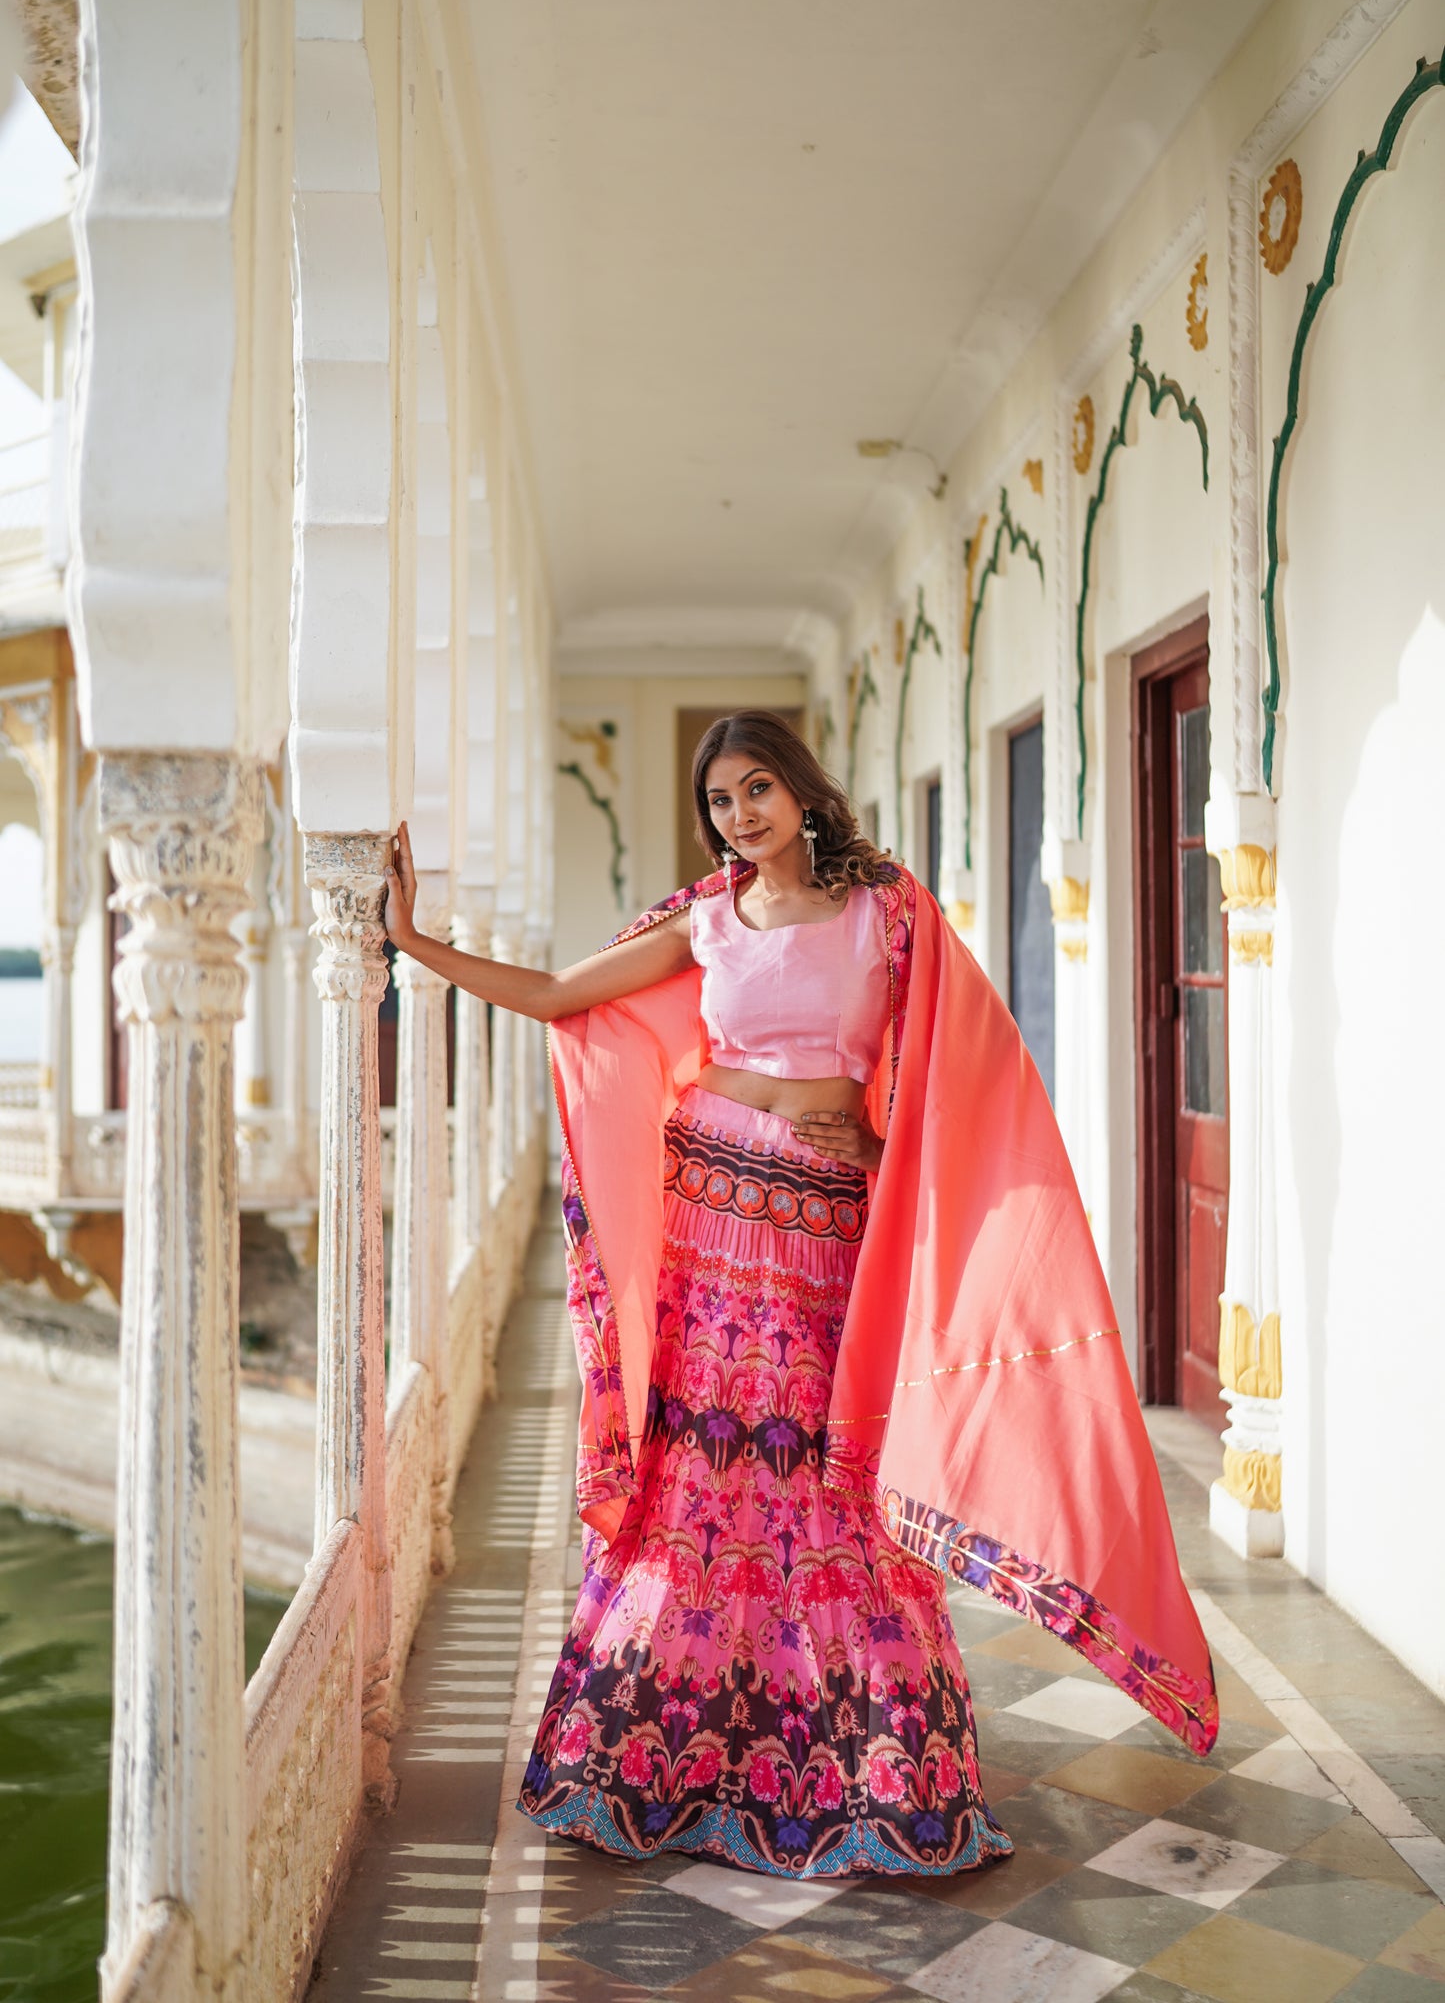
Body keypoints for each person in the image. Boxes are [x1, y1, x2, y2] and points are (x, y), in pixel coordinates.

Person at [384, 709, 1216, 1880]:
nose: (738, 815)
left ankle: (873, 1760)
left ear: (803, 790)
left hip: (827, 1213)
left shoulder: (890, 909)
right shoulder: (707, 917)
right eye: (720, 800)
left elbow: (961, 1071)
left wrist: (881, 1155)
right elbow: (563, 994)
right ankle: (661, 1748)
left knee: (828, 1464)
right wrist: (413, 939)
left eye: (756, 787)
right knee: (705, 1466)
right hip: (708, 1202)